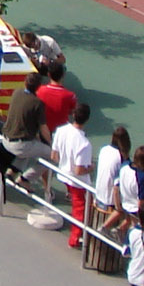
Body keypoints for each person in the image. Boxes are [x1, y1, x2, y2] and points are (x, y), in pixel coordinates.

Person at [52, 101, 95, 249]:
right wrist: (91, 168)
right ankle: (74, 239)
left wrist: (65, 163)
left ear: (73, 115)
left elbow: (54, 155)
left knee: (79, 207)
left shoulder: (61, 130)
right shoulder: (84, 143)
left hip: (63, 175)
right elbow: (78, 171)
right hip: (78, 182)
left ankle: (81, 234)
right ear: (87, 119)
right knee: (81, 210)